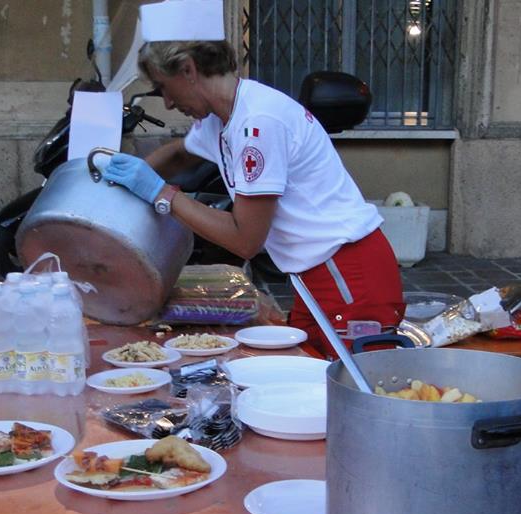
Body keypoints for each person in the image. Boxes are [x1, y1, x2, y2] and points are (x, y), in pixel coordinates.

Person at [103, 0, 406, 356]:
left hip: (348, 273)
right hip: (316, 273)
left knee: (347, 395)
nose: (167, 103)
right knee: (304, 377)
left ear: (188, 69)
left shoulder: (257, 124)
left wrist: (162, 194)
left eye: (163, 88)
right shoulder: (221, 117)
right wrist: (114, 184)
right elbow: (180, 154)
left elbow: (245, 240)